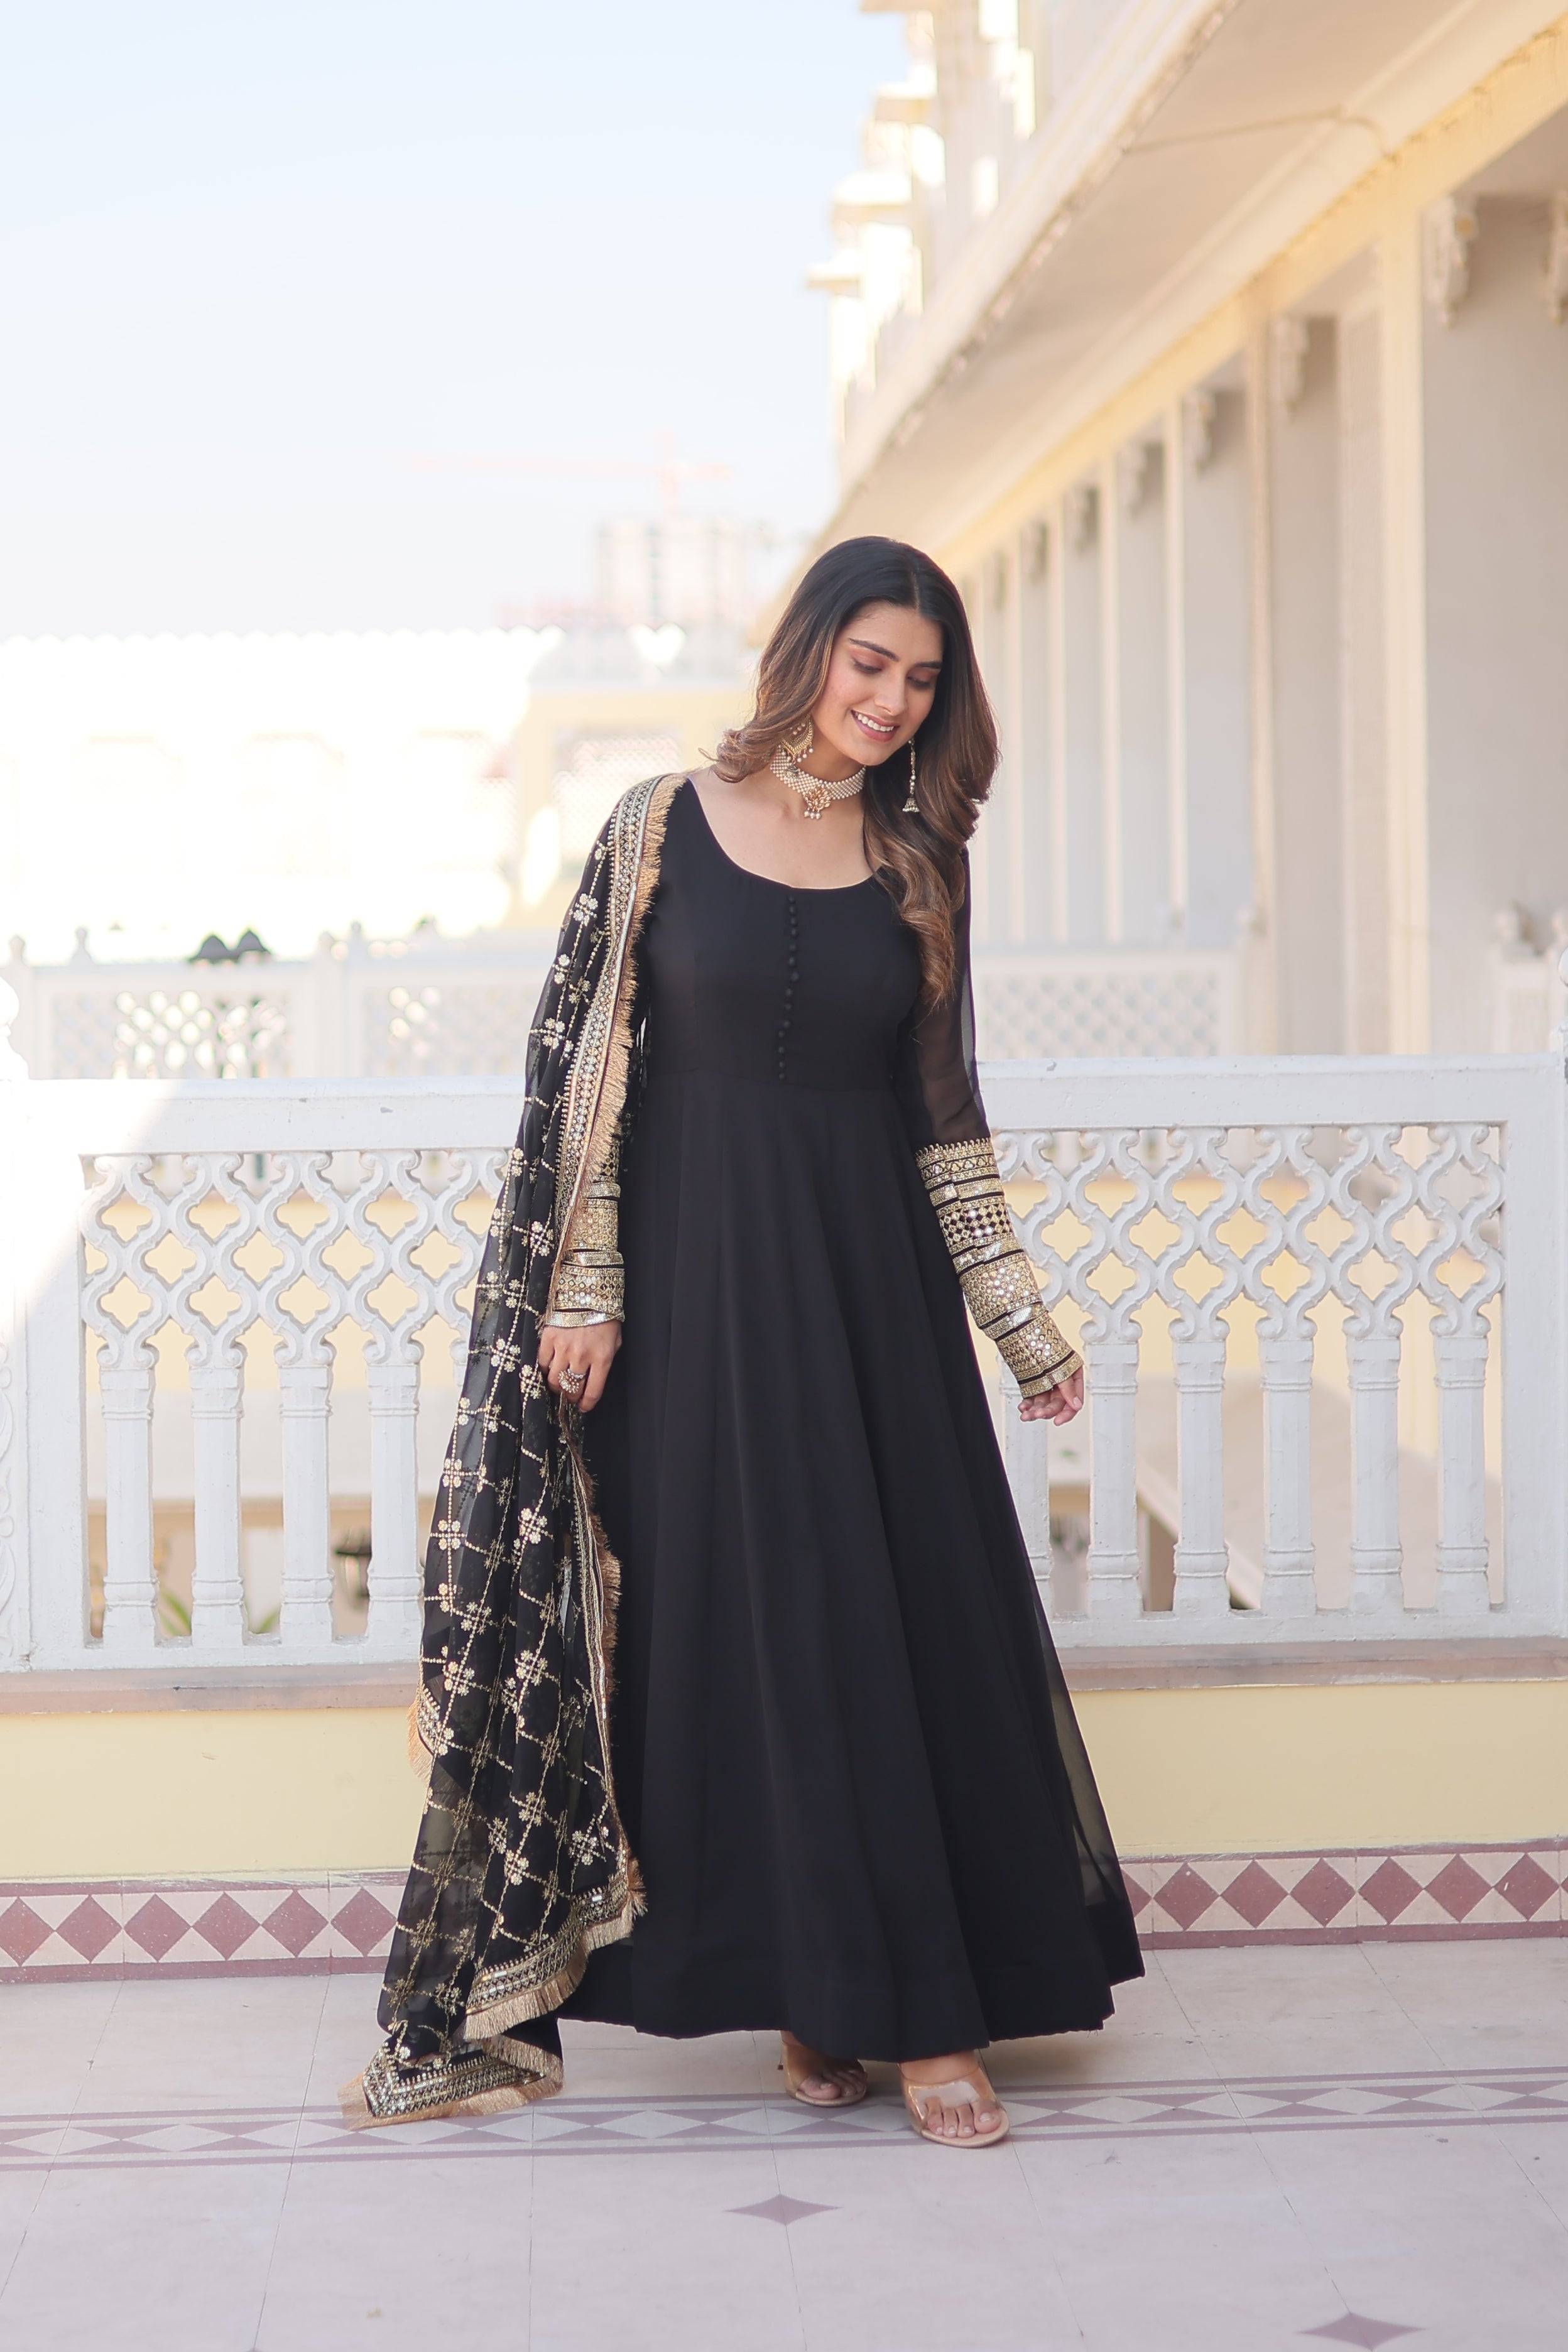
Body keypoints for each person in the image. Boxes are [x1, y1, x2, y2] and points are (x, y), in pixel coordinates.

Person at [345, 536, 1142, 2148]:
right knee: (738, 1643)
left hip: (868, 1302)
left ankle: (927, 2019)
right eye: (870, 663)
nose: (890, 701)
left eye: (922, 680)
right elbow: (583, 1076)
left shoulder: (920, 860)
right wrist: (584, 1286)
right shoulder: (657, 829)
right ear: (809, 652)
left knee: (878, 1628)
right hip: (693, 1300)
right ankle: (810, 1988)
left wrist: (1019, 1320)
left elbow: (945, 1111)